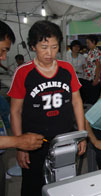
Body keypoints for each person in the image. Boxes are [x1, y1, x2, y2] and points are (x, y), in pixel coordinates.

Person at [8, 20, 86, 196]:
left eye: (54, 47)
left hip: (64, 137)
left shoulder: (67, 69)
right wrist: (20, 146)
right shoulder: (23, 72)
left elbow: (76, 102)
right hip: (34, 140)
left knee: (64, 183)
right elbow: (15, 111)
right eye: (44, 47)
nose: (49, 53)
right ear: (33, 46)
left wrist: (81, 135)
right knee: (33, 185)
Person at [0, 20, 45, 196]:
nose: (4, 57)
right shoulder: (22, 73)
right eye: (2, 50)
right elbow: (15, 110)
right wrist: (18, 142)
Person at [81, 34, 101, 104]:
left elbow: (98, 66)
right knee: (88, 97)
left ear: (93, 42)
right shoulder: (90, 51)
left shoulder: (97, 52)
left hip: (93, 78)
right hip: (87, 77)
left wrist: (96, 79)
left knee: (92, 99)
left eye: (88, 43)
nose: (87, 44)